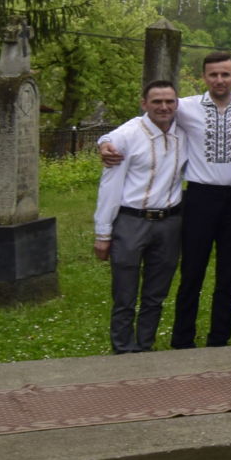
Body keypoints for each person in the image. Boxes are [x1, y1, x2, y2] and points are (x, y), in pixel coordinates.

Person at [99, 51, 231, 350]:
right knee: (192, 272)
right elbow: (142, 120)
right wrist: (105, 141)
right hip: (199, 197)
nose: (219, 80)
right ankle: (183, 339)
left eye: (225, 74)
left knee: (228, 273)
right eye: (213, 74)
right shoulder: (185, 107)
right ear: (204, 77)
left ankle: (219, 338)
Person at [93, 80, 185, 353]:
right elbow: (110, 186)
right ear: (144, 104)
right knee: (125, 291)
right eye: (156, 101)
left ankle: (145, 346)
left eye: (169, 101)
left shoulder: (185, 132)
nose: (164, 107)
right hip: (132, 220)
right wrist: (103, 233)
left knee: (156, 293)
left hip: (169, 222)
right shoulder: (128, 134)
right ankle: (123, 347)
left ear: (177, 104)